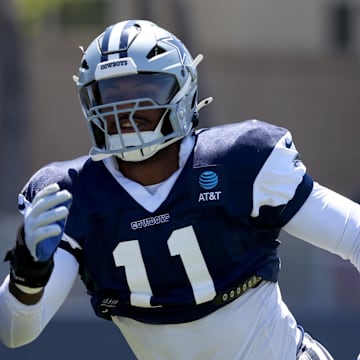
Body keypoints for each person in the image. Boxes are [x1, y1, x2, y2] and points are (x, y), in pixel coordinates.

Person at [0, 19, 358, 359]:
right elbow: (15, 333)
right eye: (110, 95)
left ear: (181, 91)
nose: (126, 110)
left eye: (144, 91)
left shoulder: (240, 161)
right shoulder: (72, 195)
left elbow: (354, 234)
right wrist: (27, 275)